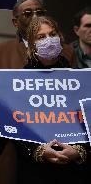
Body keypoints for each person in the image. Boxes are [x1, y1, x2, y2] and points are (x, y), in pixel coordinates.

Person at [16, 15, 89, 184]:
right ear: (31, 44)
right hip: (35, 172)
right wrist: (39, 150)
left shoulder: (78, 79)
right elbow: (14, 126)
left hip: (74, 172)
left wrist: (79, 151)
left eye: (52, 34)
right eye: (41, 37)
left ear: (60, 37)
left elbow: (87, 122)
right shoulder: (19, 82)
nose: (48, 40)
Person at [0, 0, 77, 69]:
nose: (35, 17)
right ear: (16, 22)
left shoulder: (68, 52)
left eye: (40, 12)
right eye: (28, 14)